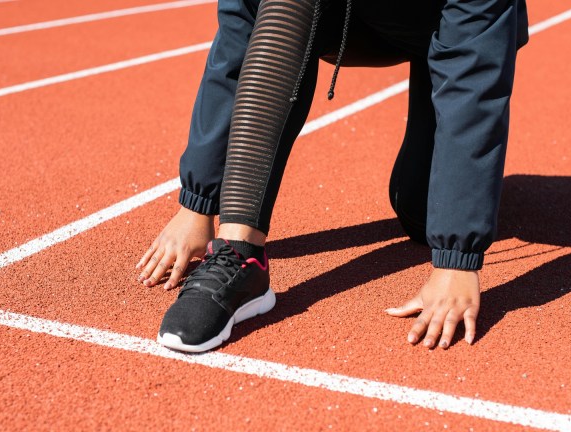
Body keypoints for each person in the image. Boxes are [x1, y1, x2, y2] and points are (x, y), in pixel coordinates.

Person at [137, 0, 529, 352]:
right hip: (339, 12)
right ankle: (241, 257)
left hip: (441, 21)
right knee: (283, 4)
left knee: (421, 212)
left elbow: (473, 77)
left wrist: (457, 260)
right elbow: (240, 28)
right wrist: (199, 203)